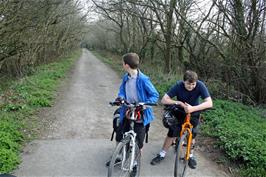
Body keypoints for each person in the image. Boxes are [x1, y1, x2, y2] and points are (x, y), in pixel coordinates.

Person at [106, 53, 159, 176]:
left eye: (122, 63)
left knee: (138, 141)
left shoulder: (143, 79)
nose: (122, 65)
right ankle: (118, 155)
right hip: (128, 110)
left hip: (141, 113)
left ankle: (134, 163)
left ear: (126, 65)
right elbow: (122, 90)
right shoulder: (126, 77)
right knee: (120, 135)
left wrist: (144, 104)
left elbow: (155, 95)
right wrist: (121, 98)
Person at [150, 70, 213, 169]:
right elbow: (164, 99)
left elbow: (209, 103)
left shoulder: (200, 85)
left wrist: (193, 108)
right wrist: (179, 102)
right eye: (188, 84)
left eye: (193, 84)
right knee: (172, 132)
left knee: (192, 135)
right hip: (180, 111)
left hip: (194, 112)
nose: (191, 86)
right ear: (184, 81)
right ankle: (162, 154)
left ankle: (190, 156)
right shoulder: (178, 85)